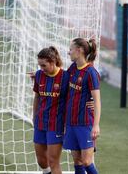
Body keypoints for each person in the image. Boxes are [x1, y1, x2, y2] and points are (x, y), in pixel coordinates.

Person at [63, 38, 101, 174]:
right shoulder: (73, 68)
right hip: (71, 122)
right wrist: (40, 77)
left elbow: (97, 100)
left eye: (71, 49)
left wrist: (96, 125)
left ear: (79, 51)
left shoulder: (91, 73)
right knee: (77, 160)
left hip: (85, 123)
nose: (69, 52)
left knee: (86, 161)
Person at [32, 46, 69, 174]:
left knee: (53, 161)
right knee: (41, 161)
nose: (41, 69)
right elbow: (37, 97)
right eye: (40, 66)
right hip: (40, 122)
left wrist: (90, 102)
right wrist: (34, 116)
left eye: (44, 65)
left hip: (56, 124)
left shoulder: (65, 77)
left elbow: (77, 93)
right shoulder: (39, 75)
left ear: (53, 62)